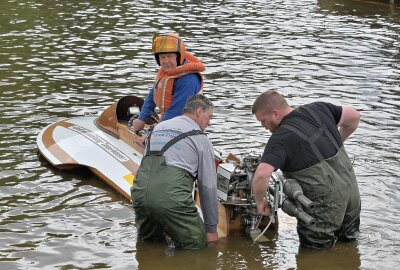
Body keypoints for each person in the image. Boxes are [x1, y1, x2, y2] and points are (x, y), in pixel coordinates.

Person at [251, 90, 361, 249]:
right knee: (349, 247)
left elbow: (262, 175)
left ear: (275, 114)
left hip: (324, 207)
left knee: (315, 256)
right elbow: (354, 117)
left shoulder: (279, 139)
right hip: (352, 196)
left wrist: (260, 202)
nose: (263, 126)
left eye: (263, 121)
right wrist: (338, 141)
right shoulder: (319, 108)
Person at [131, 94, 218, 249]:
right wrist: (211, 229)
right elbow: (208, 187)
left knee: (150, 247)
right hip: (171, 199)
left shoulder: (159, 127)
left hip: (140, 194)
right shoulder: (200, 139)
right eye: (209, 117)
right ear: (199, 111)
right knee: (197, 248)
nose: (209, 123)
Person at [131, 33, 205, 132]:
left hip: (186, 128)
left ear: (179, 57)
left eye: (169, 56)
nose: (166, 61)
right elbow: (154, 93)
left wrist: (154, 133)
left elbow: (176, 112)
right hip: (171, 122)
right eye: (162, 57)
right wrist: (141, 119)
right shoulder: (166, 72)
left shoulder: (188, 80)